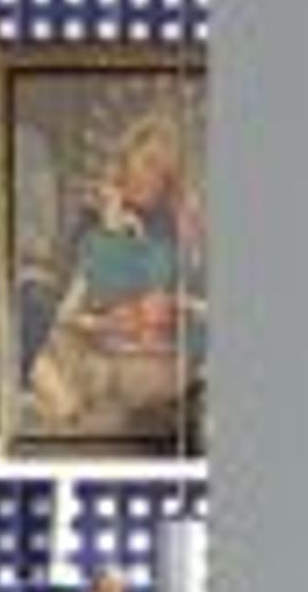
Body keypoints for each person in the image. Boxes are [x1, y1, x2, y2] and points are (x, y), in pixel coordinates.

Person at [16, 103, 204, 450]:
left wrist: (178, 298)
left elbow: (190, 299)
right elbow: (68, 306)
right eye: (148, 163)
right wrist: (108, 232)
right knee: (42, 346)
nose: (154, 177)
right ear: (124, 161)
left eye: (165, 172)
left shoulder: (174, 229)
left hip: (151, 358)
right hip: (92, 344)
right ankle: (68, 412)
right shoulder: (92, 222)